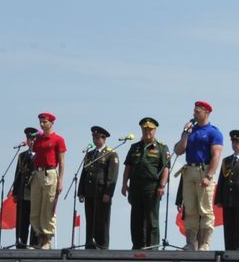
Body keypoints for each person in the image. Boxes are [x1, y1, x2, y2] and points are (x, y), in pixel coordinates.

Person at [173, 101, 225, 250]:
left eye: (197, 112)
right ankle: (191, 242)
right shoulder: (191, 130)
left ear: (206, 112)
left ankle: (205, 243)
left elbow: (216, 156)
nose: (194, 114)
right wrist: (185, 134)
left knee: (205, 209)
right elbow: (178, 151)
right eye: (194, 111)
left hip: (204, 170)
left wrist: (209, 176)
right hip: (189, 170)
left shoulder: (214, 132)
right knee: (190, 209)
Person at [122, 117, 171, 249]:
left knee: (151, 218)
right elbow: (128, 166)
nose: (146, 132)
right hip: (135, 186)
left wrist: (162, 185)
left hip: (152, 187)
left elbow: (166, 168)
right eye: (144, 129)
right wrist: (124, 183)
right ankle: (137, 245)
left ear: (155, 130)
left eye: (149, 129)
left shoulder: (161, 147)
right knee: (136, 218)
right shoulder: (135, 147)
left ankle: (152, 247)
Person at [27, 113, 67, 249]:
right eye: (40, 122)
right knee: (35, 208)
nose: (42, 124)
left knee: (47, 208)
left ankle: (47, 239)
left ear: (51, 123)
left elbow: (62, 163)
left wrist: (60, 180)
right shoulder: (38, 140)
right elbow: (34, 155)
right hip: (37, 173)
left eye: (44, 122)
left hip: (49, 173)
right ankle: (38, 237)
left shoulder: (58, 139)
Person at [78, 126, 120, 250]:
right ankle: (89, 243)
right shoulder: (90, 154)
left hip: (102, 193)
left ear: (104, 138)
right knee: (90, 219)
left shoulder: (111, 154)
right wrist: (81, 192)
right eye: (93, 137)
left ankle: (102, 245)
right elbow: (84, 173)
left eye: (97, 137)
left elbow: (112, 175)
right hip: (90, 192)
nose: (95, 139)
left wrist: (108, 193)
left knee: (102, 220)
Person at [9, 127, 38, 249]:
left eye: (33, 139)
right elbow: (18, 175)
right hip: (23, 193)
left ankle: (34, 244)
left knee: (34, 221)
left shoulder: (41, 155)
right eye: (29, 139)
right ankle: (20, 243)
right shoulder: (22, 156)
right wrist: (15, 193)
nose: (31, 141)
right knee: (22, 221)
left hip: (35, 193)